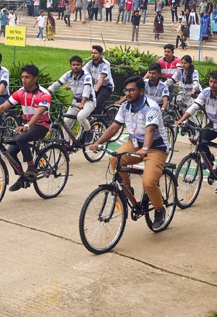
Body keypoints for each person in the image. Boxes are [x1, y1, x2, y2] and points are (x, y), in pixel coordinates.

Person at [89, 77, 169, 228]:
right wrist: (97, 142)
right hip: (135, 144)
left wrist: (145, 149)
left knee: (148, 182)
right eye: (126, 90)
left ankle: (159, 209)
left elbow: (150, 130)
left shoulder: (151, 107)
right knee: (114, 160)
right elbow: (114, 128)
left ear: (141, 91)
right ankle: (127, 190)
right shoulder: (125, 106)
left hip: (155, 147)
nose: (128, 93)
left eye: (132, 90)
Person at [0, 64, 52, 191]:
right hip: (25, 126)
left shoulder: (44, 94)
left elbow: (39, 113)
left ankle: (31, 167)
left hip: (41, 126)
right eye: (22, 77)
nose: (24, 80)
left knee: (20, 139)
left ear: (35, 78)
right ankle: (23, 178)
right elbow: (2, 107)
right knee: (10, 152)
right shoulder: (20, 92)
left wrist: (28, 126)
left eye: (27, 77)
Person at [176, 70, 217, 194]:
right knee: (200, 141)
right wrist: (180, 120)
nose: (212, 84)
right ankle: (209, 158)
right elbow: (194, 107)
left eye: (216, 82)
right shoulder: (205, 93)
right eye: (211, 81)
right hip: (212, 124)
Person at [48, 56, 97, 145]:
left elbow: (87, 90)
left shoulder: (87, 76)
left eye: (78, 65)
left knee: (81, 117)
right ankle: (67, 144)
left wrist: (82, 103)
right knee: (66, 121)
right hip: (76, 102)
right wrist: (46, 93)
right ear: (70, 66)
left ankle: (89, 131)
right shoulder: (68, 74)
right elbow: (57, 84)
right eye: (73, 65)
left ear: (81, 66)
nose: (75, 67)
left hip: (89, 102)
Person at [84, 46, 115, 114]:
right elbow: (81, 72)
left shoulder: (105, 64)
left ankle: (97, 121)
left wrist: (95, 90)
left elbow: (102, 77)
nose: (93, 55)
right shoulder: (90, 63)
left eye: (95, 53)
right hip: (96, 85)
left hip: (106, 86)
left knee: (97, 103)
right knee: (88, 102)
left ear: (100, 54)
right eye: (92, 53)